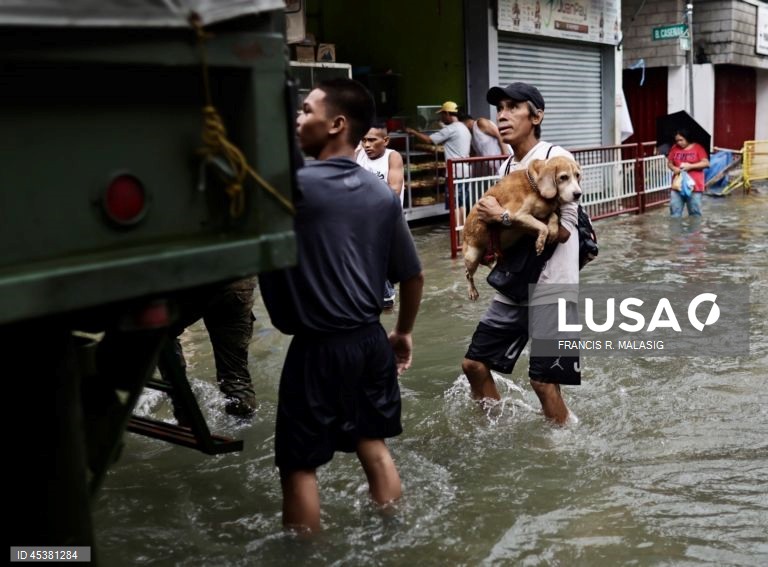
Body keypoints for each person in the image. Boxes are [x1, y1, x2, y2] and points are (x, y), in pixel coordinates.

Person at [258, 78, 424, 533]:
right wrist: (403, 332)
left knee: (298, 467)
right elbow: (413, 276)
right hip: (371, 341)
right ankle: (397, 534)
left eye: (306, 110)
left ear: (336, 123)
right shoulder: (380, 195)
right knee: (373, 444)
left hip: (317, 348)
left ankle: (304, 555)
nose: (298, 118)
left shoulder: (290, 190)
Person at [461, 82, 580, 425]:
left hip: (553, 288)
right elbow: (505, 230)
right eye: (499, 108)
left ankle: (565, 444)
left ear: (537, 115)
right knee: (473, 364)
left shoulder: (557, 159)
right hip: (515, 286)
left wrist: (505, 218)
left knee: (543, 382)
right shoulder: (509, 167)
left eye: (513, 107)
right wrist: (488, 243)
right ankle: (496, 430)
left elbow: (566, 230)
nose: (502, 115)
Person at [158, 277, 258, 418]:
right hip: (237, 282)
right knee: (236, 379)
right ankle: (244, 430)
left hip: (192, 280)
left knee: (160, 336)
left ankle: (184, 413)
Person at [355, 123, 406, 309]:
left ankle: (387, 301)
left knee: (381, 262)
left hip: (388, 221)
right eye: (364, 140)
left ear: (385, 141)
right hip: (363, 221)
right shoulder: (358, 154)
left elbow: (394, 190)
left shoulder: (392, 157)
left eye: (372, 140)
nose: (367, 145)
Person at [406, 101, 472, 223]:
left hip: (454, 173)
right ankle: (462, 228)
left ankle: (457, 231)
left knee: (455, 204)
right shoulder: (463, 127)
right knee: (461, 203)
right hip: (465, 171)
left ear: (447, 113)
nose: (440, 117)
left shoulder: (451, 129)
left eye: (442, 114)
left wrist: (413, 132)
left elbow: (429, 140)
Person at [667, 129, 710, 217]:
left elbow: (706, 163)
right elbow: (669, 163)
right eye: (677, 140)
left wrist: (690, 166)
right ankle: (676, 230)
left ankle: (695, 230)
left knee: (695, 213)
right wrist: (674, 168)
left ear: (687, 138)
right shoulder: (674, 148)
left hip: (695, 186)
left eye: (681, 140)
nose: (679, 143)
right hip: (677, 185)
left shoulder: (698, 148)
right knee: (674, 212)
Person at [460, 112, 511, 177]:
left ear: (465, 122)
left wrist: (505, 157)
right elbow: (474, 154)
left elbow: (500, 135)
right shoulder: (471, 136)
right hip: (495, 169)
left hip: (505, 162)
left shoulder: (480, 123)